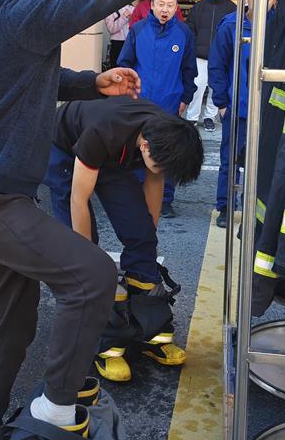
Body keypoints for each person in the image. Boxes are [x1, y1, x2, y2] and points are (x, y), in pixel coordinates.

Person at [0, 0, 257, 440]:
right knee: (92, 276)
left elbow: (29, 77)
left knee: (12, 329)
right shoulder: (20, 13)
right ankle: (56, 407)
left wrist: (92, 81)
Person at [45, 97, 204, 381]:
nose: (162, 172)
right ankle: (101, 340)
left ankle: (150, 329)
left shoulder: (162, 136)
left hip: (114, 156)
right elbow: (78, 199)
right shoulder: (102, 130)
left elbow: (154, 181)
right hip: (66, 149)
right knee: (83, 250)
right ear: (145, 147)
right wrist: (88, 261)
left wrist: (146, 240)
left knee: (141, 236)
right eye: (160, 166)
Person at [118, 0, 197, 218]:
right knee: (138, 151)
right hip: (140, 105)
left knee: (168, 152)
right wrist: (128, 93)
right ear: (151, 5)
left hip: (169, 105)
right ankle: (136, 196)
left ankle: (165, 200)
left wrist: (186, 97)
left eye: (170, 5)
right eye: (161, 4)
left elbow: (189, 70)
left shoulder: (184, 33)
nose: (165, 10)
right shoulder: (138, 29)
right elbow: (124, 64)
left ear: (176, 8)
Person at [209, 0, 276, 228]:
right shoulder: (231, 26)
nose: (262, 1)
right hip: (237, 108)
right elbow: (217, 65)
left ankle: (256, 211)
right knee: (230, 161)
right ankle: (226, 207)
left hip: (267, 111)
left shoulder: (278, 26)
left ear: (273, 2)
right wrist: (221, 102)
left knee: (262, 164)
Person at [184, 0, 236, 131]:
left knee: (216, 88)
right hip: (200, 56)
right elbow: (190, 28)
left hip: (221, 57)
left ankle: (209, 117)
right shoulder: (199, 6)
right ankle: (192, 117)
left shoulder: (231, 8)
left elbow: (234, 31)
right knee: (197, 87)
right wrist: (193, 47)